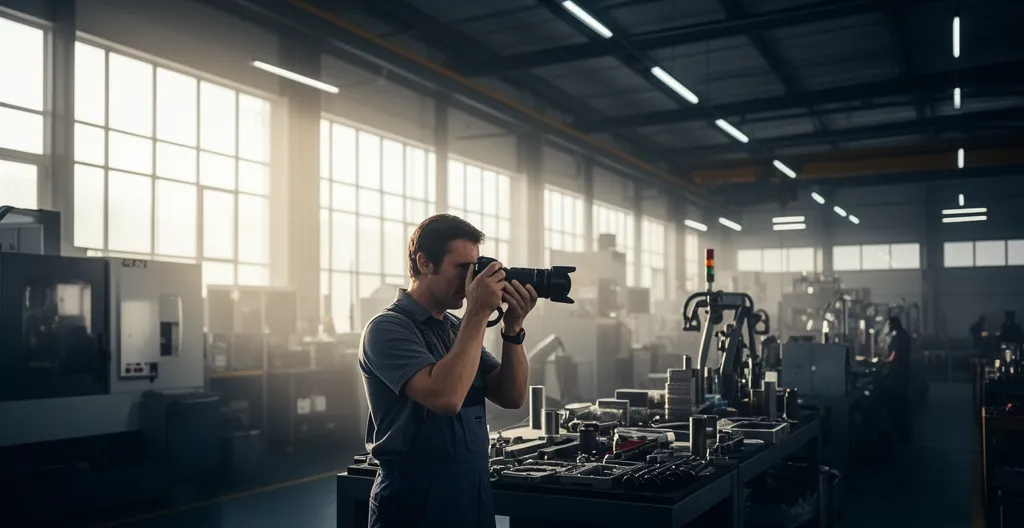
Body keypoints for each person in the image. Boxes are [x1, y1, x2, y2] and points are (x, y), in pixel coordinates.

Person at [359, 214, 538, 528]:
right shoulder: (387, 329)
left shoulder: (456, 329)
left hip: (472, 488)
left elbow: (511, 395)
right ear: (425, 263)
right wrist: (478, 311)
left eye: (475, 269)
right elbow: (446, 398)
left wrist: (513, 329)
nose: (471, 280)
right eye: (462, 269)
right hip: (414, 496)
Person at [884, 316, 913, 441]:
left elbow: (895, 354)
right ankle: (904, 431)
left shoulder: (899, 336)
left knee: (900, 402)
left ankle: (902, 432)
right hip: (902, 372)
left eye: (889, 324)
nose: (888, 327)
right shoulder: (903, 334)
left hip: (899, 373)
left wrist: (885, 362)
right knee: (903, 402)